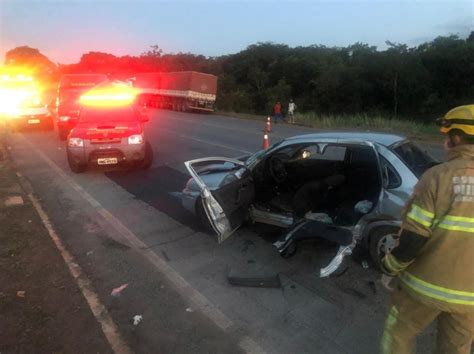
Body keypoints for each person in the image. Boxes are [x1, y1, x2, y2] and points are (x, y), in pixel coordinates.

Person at [380, 104, 474, 354]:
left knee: (398, 334)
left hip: (423, 287)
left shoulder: (437, 177)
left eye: (446, 136)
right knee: (457, 349)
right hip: (470, 298)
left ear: (456, 137)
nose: (445, 143)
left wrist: (389, 267)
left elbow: (412, 240)